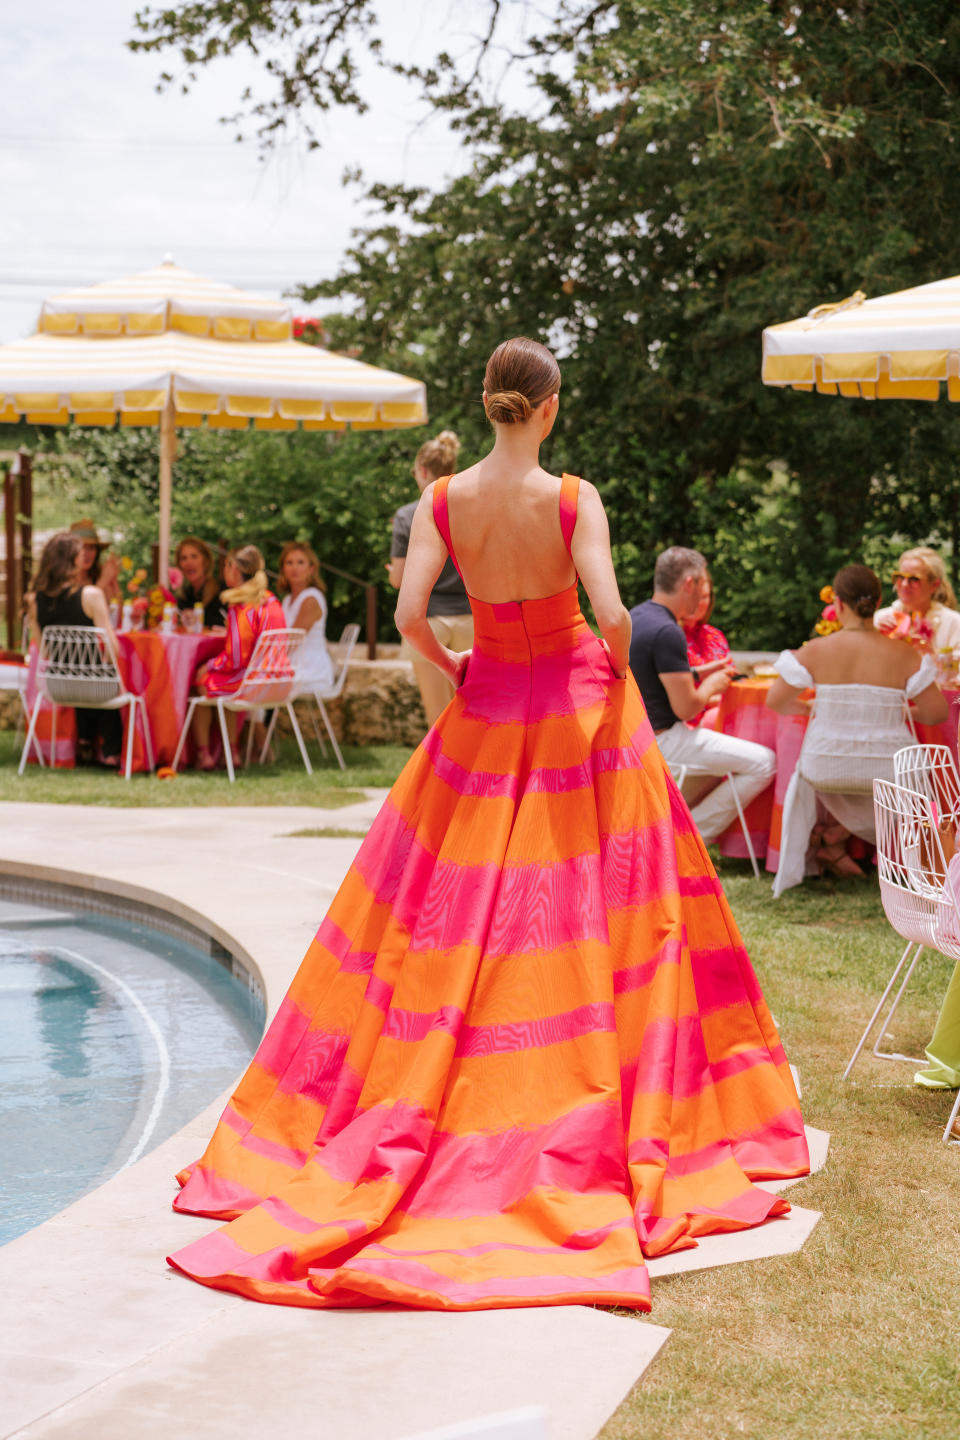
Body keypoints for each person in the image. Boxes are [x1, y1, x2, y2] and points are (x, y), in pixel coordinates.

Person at [167, 337, 807, 1313]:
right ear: (550, 407)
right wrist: (601, 673)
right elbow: (611, 612)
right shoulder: (570, 498)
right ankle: (573, 1092)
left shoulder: (440, 501)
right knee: (594, 906)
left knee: (448, 917)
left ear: (490, 401)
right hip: (569, 707)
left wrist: (462, 666)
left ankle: (442, 1086)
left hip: (488, 704)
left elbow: (414, 609)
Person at [767, 564, 947, 895]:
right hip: (890, 772)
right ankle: (929, 869)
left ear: (837, 603)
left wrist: (811, 708)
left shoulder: (817, 650)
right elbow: (937, 714)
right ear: (878, 602)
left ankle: (818, 850)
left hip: (824, 765)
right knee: (923, 775)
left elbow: (777, 701)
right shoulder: (905, 654)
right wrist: (896, 708)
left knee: (803, 774)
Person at [629, 549, 776, 844]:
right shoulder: (668, 631)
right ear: (688, 583)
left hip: (636, 737)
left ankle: (680, 836)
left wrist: (703, 670)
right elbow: (686, 708)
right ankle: (687, 839)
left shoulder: (637, 617)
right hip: (667, 741)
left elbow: (657, 676)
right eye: (702, 587)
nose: (702, 598)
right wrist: (714, 684)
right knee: (765, 762)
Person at [388, 430, 474, 727]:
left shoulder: (407, 515)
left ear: (422, 470)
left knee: (437, 716)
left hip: (428, 621)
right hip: (471, 618)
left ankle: (442, 773)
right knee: (470, 711)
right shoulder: (470, 508)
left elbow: (399, 580)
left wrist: (394, 574)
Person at [28, 531, 123, 768]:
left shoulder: (33, 600)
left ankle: (83, 742)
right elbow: (113, 648)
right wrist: (109, 661)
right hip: (97, 685)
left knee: (87, 679)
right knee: (104, 676)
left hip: (57, 685)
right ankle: (111, 752)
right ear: (73, 559)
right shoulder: (91, 595)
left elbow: (46, 653)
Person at [190, 545, 284, 770]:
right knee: (220, 686)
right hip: (279, 680)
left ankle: (206, 755)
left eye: (225, 565)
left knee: (201, 683)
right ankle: (230, 753)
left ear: (233, 568)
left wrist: (209, 665)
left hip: (253, 682)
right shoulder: (270, 600)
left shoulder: (241, 606)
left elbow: (235, 659)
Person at [874, 546, 960, 653]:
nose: (904, 584)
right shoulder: (879, 619)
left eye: (914, 579)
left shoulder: (953, 623)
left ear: (934, 585)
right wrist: (875, 635)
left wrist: (931, 654)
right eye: (900, 577)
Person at [277, 540, 334, 691]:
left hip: (311, 669)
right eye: (289, 562)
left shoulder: (311, 599)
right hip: (293, 665)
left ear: (311, 568)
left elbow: (291, 642)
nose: (294, 568)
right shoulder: (288, 599)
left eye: (300, 562)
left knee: (256, 680)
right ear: (283, 568)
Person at [683, 573, 731, 726]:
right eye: (693, 596)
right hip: (686, 723)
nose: (698, 603)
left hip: (723, 712)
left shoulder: (715, 635)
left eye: (704, 597)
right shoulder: (668, 636)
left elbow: (733, 679)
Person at [174, 536, 226, 629]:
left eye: (194, 556)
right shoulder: (184, 597)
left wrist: (198, 619)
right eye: (183, 558)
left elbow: (228, 624)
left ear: (205, 561)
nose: (188, 562)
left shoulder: (222, 591)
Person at [69, 519, 120, 605]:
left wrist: (113, 580)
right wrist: (103, 581)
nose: (86, 553)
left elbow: (113, 609)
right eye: (82, 547)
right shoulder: (62, 580)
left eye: (91, 548)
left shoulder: (97, 575)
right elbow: (78, 612)